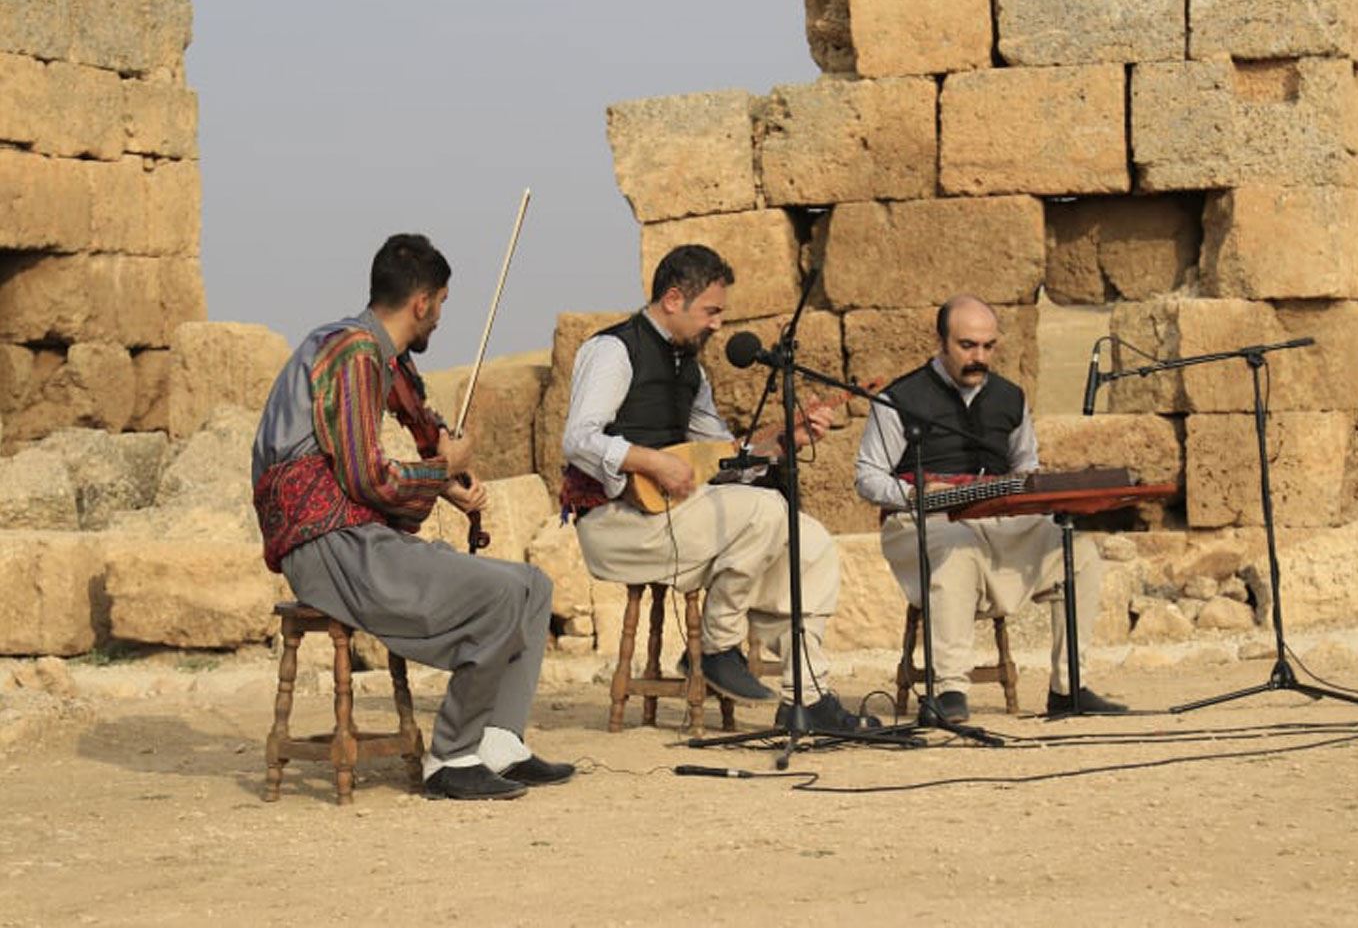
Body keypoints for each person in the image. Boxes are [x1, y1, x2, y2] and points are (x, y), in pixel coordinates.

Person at [251, 233, 573, 800]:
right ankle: (450, 757)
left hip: (354, 534)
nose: (440, 318)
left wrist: (445, 480)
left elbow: (389, 462)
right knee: (498, 596)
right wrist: (441, 468)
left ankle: (499, 741)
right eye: (442, 304)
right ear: (423, 302)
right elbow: (364, 477)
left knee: (533, 585)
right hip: (330, 543)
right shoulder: (354, 353)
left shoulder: (375, 357)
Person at [560, 244, 876, 732]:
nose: (717, 325)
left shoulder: (692, 369)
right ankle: (714, 646)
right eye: (710, 311)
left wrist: (786, 437)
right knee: (767, 509)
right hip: (617, 522)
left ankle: (806, 697)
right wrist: (651, 461)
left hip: (674, 513)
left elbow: (723, 455)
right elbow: (579, 439)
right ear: (672, 299)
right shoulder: (613, 351)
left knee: (809, 542)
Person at [853, 295, 1127, 721]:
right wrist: (920, 493)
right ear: (941, 342)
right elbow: (868, 477)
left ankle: (1068, 688)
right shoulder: (899, 399)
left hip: (997, 519)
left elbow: (1026, 466)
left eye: (987, 346)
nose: (979, 357)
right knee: (957, 549)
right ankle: (948, 691)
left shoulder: (1010, 398)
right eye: (967, 346)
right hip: (924, 520)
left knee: (1078, 551)